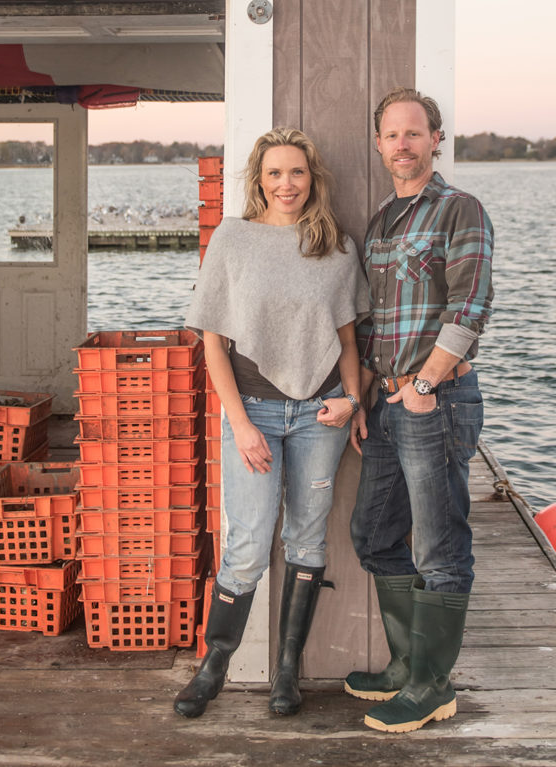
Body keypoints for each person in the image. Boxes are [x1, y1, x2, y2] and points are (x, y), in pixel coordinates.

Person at [175, 127, 368, 719]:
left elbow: (347, 339)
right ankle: (215, 666)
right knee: (249, 543)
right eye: (275, 173)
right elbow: (214, 343)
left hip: (321, 415)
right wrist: (239, 424)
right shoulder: (233, 240)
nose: (287, 184)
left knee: (307, 539)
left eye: (298, 173)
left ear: (314, 180)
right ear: (258, 179)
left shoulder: (335, 247)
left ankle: (288, 671)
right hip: (253, 413)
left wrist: (353, 399)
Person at [345, 87, 494, 733]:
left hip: (434, 399)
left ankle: (433, 686)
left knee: (439, 545)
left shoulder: (460, 210)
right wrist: (369, 393)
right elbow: (373, 318)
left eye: (414, 133)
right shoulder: (382, 220)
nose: (402, 144)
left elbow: (470, 306)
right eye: (391, 134)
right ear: (378, 144)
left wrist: (426, 385)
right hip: (385, 401)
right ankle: (407, 666)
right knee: (374, 534)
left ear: (436, 139)